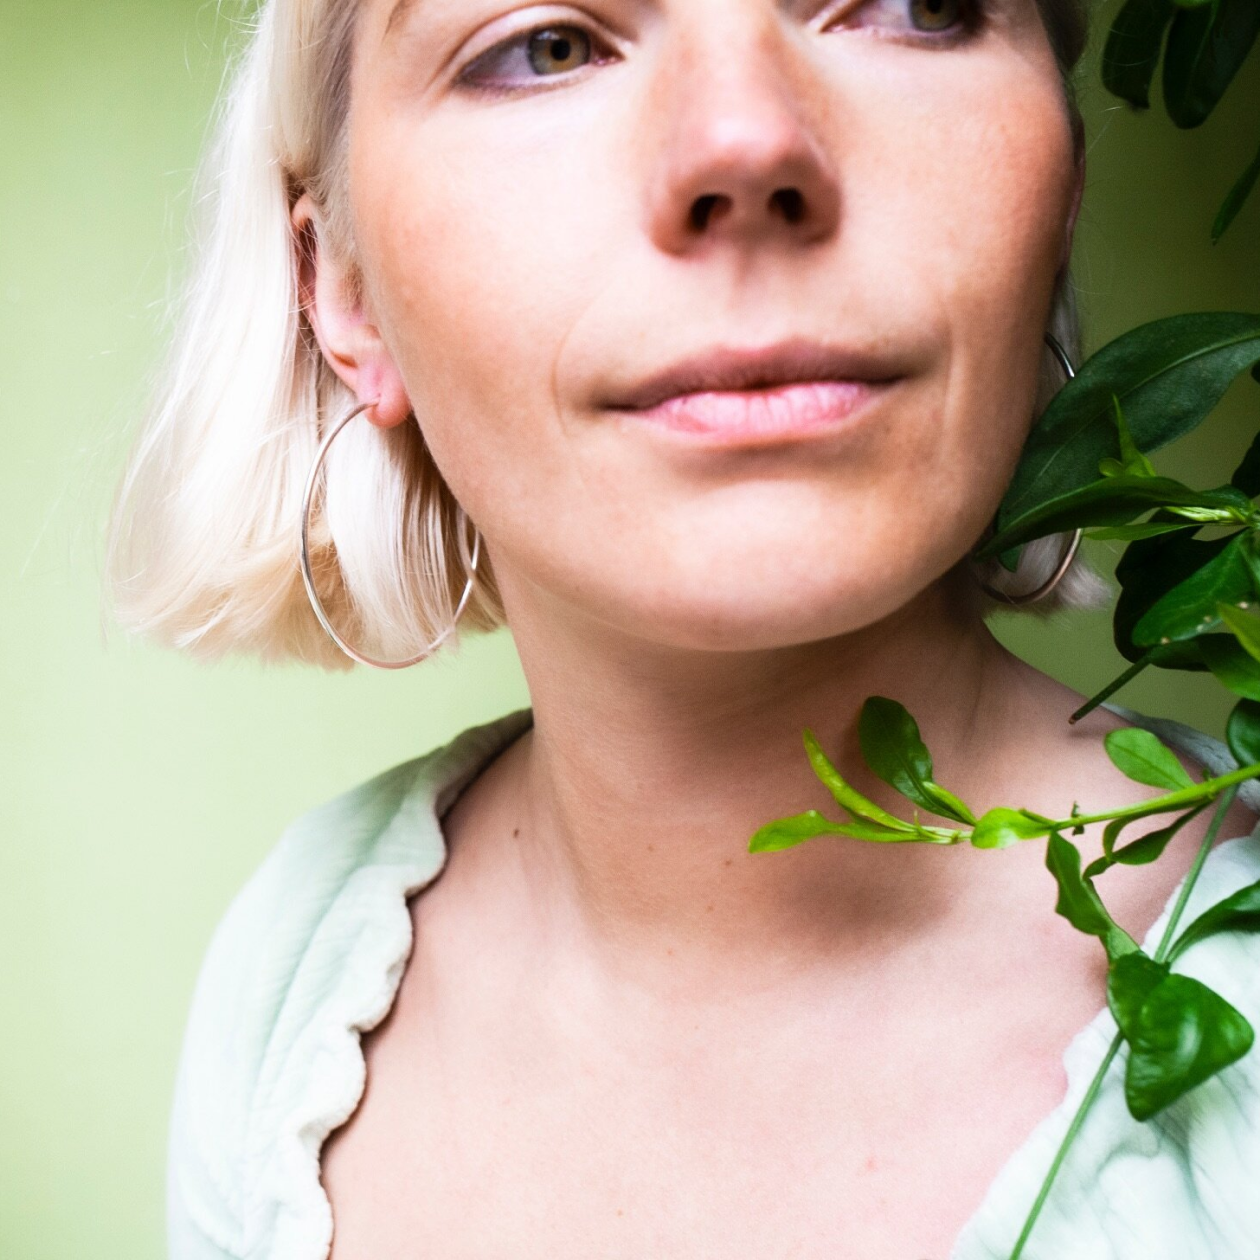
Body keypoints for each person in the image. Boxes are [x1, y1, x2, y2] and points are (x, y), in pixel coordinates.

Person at [107, 0, 1260, 1256]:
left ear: (1064, 187)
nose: (747, 144)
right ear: (342, 289)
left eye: (910, 7)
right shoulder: (289, 973)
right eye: (547, 45)